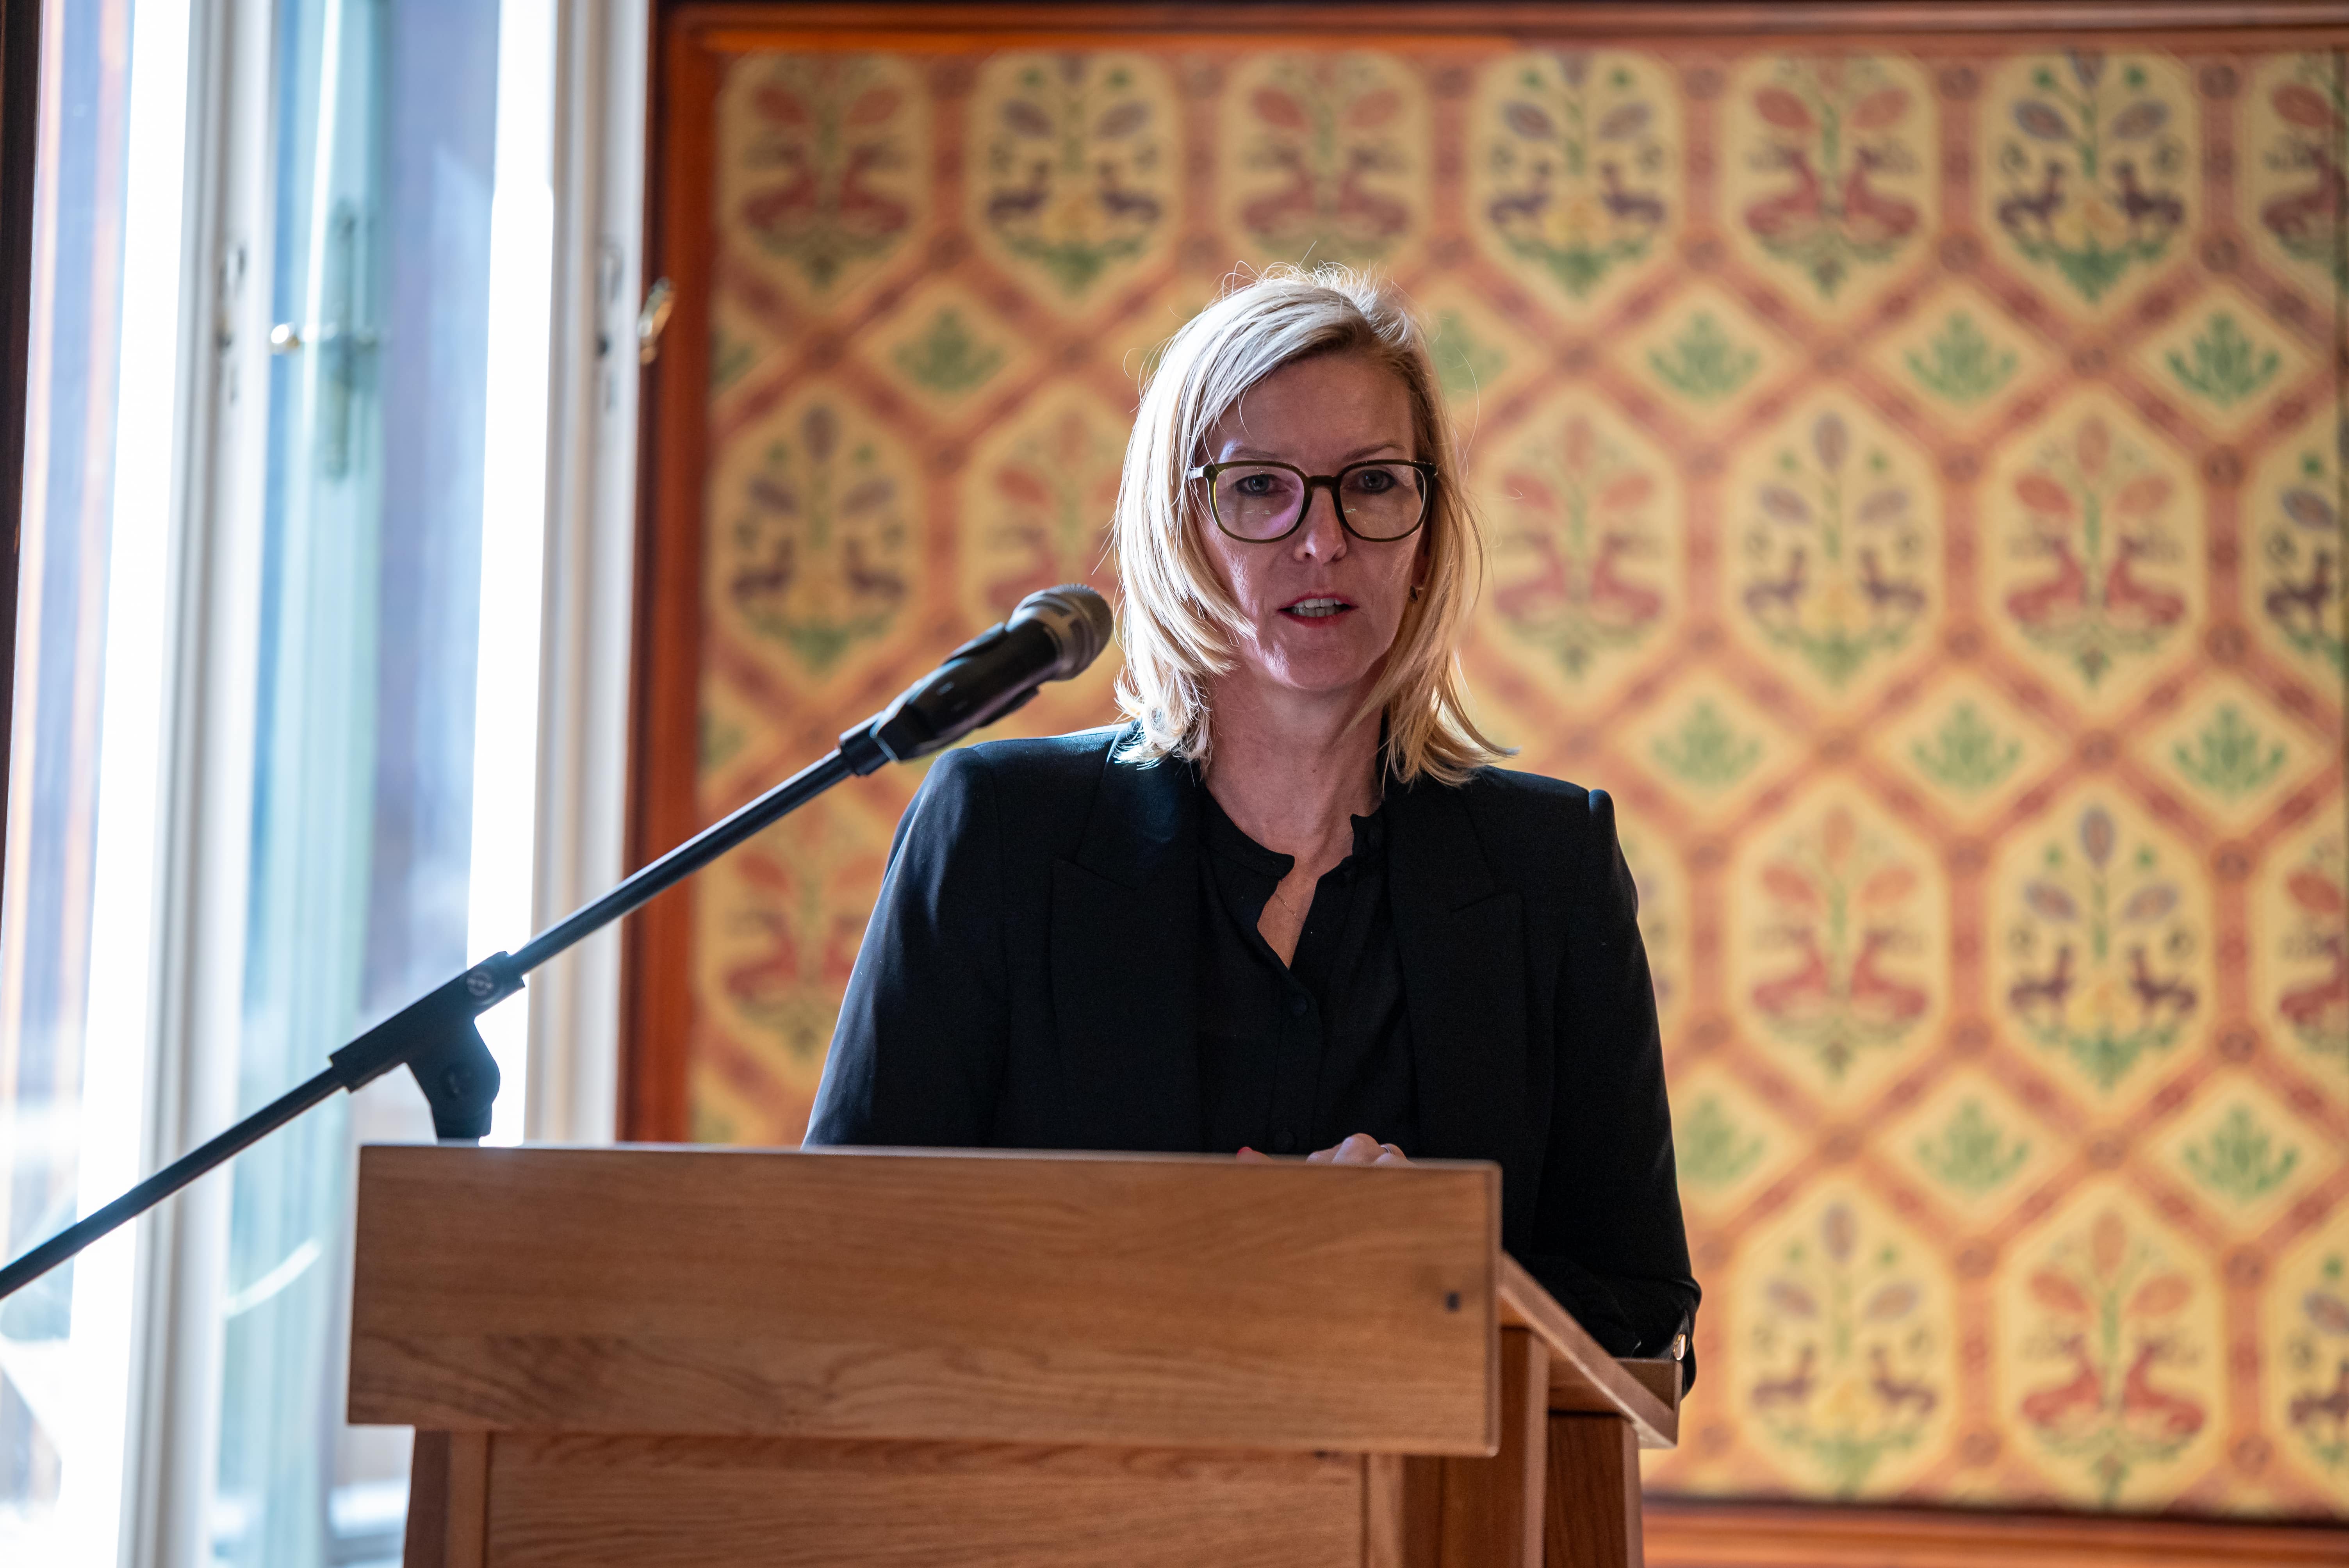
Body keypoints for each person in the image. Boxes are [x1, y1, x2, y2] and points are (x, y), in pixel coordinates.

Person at [806, 265, 1697, 1381]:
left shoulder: (1550, 866)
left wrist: (1429, 1266)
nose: (1321, 540)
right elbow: (845, 1253)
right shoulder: (1001, 833)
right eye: (1260, 487)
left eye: (1373, 484)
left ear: (1427, 534)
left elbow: (1646, 1315)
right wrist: (1218, 1259)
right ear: (1180, 525)